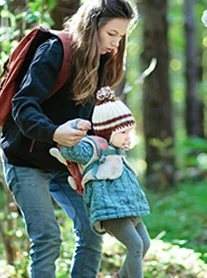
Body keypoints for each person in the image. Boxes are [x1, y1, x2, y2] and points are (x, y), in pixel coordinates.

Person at [0, 0, 137, 277]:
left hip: (68, 165)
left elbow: (93, 122)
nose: (116, 43)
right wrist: (53, 132)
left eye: (121, 37)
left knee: (91, 231)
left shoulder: (100, 62)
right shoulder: (54, 51)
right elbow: (23, 105)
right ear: (92, 26)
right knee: (47, 239)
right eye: (112, 34)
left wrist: (115, 138)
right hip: (26, 161)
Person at [52, 86, 151, 278]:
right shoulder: (94, 147)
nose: (128, 137)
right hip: (110, 209)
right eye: (123, 133)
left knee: (144, 244)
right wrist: (74, 129)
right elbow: (71, 151)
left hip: (129, 207)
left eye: (129, 132)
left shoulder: (117, 151)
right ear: (108, 130)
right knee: (135, 245)